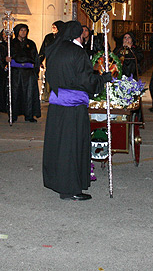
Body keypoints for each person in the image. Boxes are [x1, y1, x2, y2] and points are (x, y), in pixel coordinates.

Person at [42, 21, 111, 201]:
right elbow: (85, 81)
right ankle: (70, 189)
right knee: (72, 146)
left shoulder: (55, 50)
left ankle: (57, 182)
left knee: (59, 145)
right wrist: (103, 79)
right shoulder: (77, 52)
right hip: (73, 107)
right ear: (77, 34)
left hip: (57, 106)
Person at [8, 23, 41, 123]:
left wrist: (36, 71)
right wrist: (7, 59)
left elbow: (35, 57)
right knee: (15, 93)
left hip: (28, 73)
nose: (23, 32)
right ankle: (13, 115)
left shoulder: (31, 43)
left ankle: (29, 115)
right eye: (21, 30)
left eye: (25, 30)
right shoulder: (11, 43)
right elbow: (6, 56)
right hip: (16, 73)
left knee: (29, 94)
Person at [38, 21, 65, 101]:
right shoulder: (48, 37)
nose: (53, 28)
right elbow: (43, 50)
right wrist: (40, 62)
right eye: (52, 26)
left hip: (60, 63)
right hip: (50, 62)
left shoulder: (63, 37)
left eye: (55, 27)